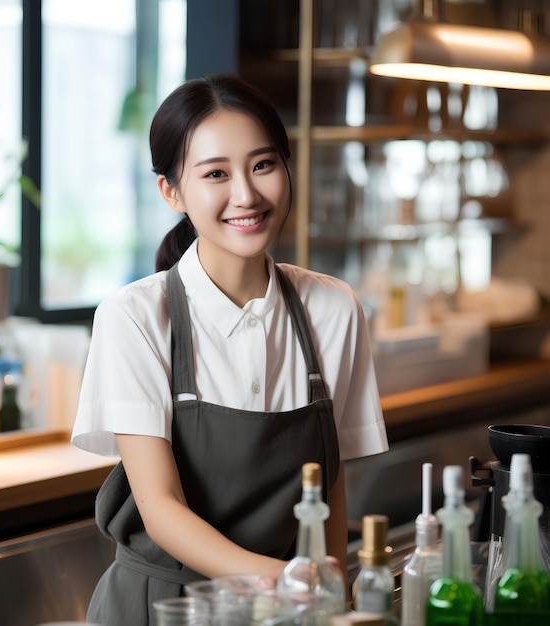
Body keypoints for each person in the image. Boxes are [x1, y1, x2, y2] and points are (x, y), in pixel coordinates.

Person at [71, 74, 389, 625]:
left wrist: (331, 590)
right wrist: (281, 579)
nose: (246, 194)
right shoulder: (134, 317)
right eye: (216, 173)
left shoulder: (335, 309)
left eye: (263, 165)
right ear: (171, 191)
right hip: (162, 609)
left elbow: (331, 483)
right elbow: (162, 509)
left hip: (286, 610)